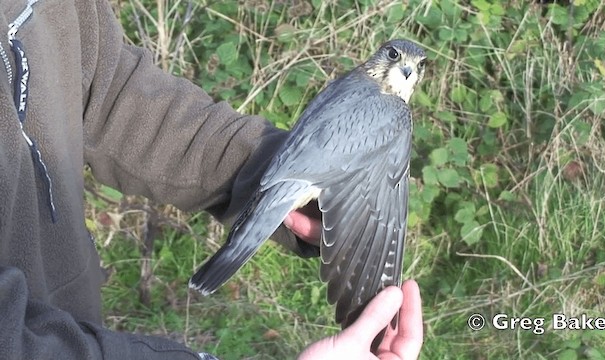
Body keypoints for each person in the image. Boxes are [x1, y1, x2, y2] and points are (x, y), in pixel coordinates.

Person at [0, 0, 423, 359]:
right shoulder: (388, 112)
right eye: (394, 57)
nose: (404, 71)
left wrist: (257, 173)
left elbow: (106, 90)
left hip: (76, 311)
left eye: (414, 67)